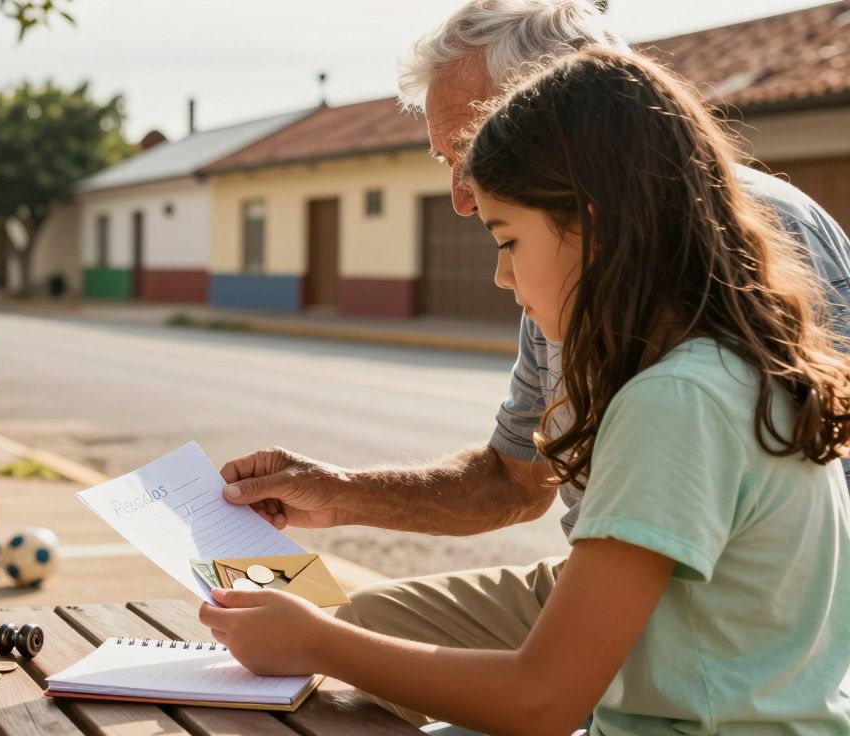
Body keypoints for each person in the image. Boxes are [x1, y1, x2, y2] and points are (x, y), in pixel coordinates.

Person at [209, 0, 850, 723]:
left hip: (712, 623)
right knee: (349, 631)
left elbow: (544, 697)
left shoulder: (681, 387)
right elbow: (516, 477)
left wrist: (319, 644)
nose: (466, 205)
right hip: (680, 607)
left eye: (504, 234)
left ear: (580, 177)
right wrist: (337, 497)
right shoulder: (674, 328)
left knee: (336, 658)